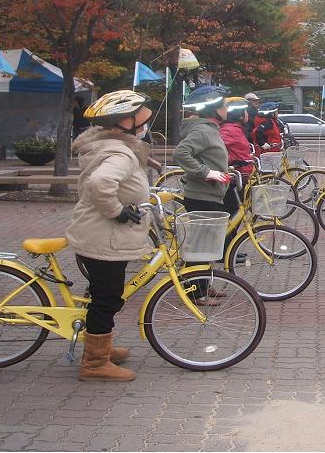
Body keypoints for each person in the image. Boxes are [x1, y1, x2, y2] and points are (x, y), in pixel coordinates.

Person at [66, 90, 154, 381]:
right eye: (139, 122)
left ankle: (100, 342)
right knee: (107, 298)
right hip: (105, 237)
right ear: (122, 124)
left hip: (97, 235)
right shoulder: (119, 153)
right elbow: (101, 182)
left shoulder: (110, 146)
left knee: (104, 295)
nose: (144, 127)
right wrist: (117, 211)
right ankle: (94, 363)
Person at [174, 85, 233, 215]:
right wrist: (205, 172)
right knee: (206, 236)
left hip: (210, 195)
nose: (226, 109)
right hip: (202, 197)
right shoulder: (203, 130)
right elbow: (180, 153)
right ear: (214, 109)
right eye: (224, 105)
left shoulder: (211, 129)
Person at [219, 96, 254, 214]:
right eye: (246, 113)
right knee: (233, 214)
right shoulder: (229, 130)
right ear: (240, 116)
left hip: (240, 177)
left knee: (237, 213)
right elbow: (218, 150)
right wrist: (233, 162)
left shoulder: (237, 129)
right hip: (233, 178)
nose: (248, 115)